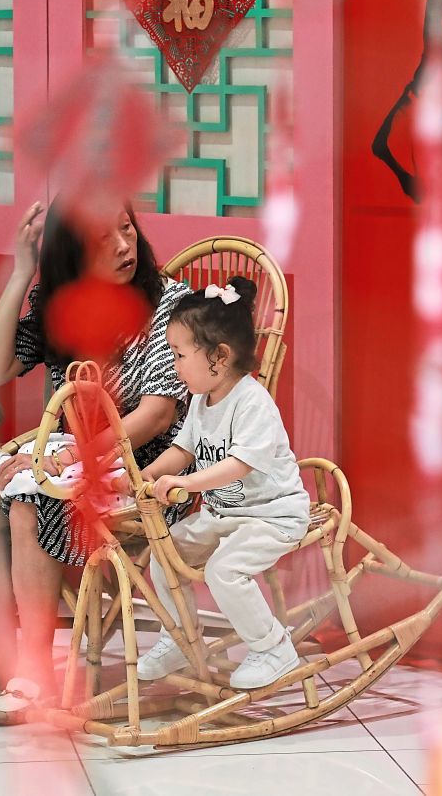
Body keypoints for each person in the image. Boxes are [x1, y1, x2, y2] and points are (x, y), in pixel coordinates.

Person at [0, 198, 191, 724]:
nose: (123, 247)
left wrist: (72, 453)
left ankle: (35, 670)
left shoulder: (167, 306)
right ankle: (1, 660)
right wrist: (22, 270)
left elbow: (157, 416)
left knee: (28, 498)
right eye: (101, 241)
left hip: (149, 465)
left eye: (127, 228)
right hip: (71, 452)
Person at [137, 276, 311, 689]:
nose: (174, 365)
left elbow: (239, 465)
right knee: (164, 554)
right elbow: (182, 449)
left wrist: (188, 483)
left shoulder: (252, 403)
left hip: (272, 516)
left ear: (219, 357)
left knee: (224, 570)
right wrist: (151, 473)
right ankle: (180, 638)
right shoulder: (201, 400)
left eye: (179, 355)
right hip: (224, 515)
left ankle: (273, 647)